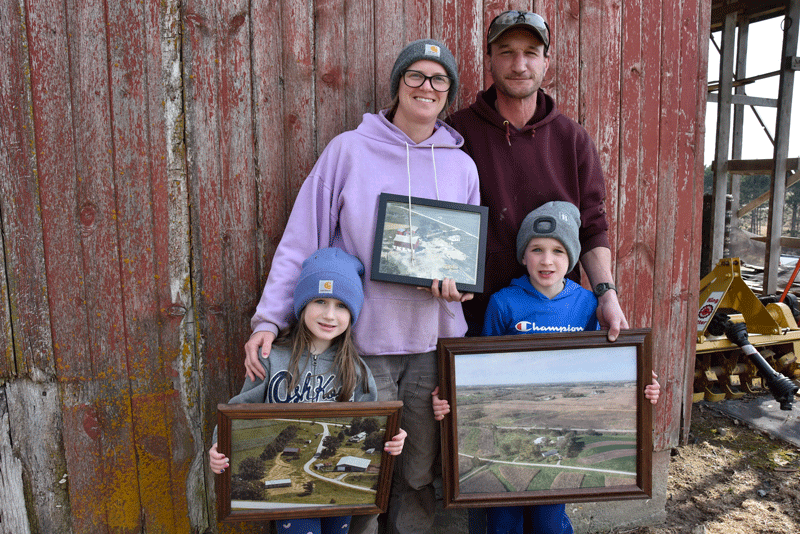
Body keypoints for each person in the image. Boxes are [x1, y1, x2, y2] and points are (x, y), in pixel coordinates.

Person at [242, 39, 480, 534]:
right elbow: (300, 240)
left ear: (449, 93)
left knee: (418, 469)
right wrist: (269, 319)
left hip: (432, 345)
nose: (426, 86)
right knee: (359, 465)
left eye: (438, 79)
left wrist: (463, 289)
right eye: (415, 75)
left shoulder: (461, 165)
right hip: (361, 345)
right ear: (397, 84)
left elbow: (468, 258)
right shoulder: (348, 151)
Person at [432, 201, 660, 534]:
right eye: (537, 249)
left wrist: (641, 385)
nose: (547, 260)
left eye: (558, 250)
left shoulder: (587, 305)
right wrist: (450, 397)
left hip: (561, 435)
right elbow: (478, 366)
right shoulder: (504, 302)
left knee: (548, 522)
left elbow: (604, 365)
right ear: (523, 256)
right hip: (509, 431)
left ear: (572, 258)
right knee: (500, 521)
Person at [446, 10, 628, 341]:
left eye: (531, 53)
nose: (519, 65)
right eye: (506, 52)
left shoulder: (572, 139)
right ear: (489, 59)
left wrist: (606, 294)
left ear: (546, 61)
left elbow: (592, 226)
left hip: (555, 321)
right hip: (472, 318)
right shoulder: (457, 133)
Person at [210, 248, 407, 534]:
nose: (329, 314)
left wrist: (391, 437)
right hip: (286, 488)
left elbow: (371, 426)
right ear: (302, 304)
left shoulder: (357, 369)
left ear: (352, 313)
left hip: (336, 489)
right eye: (320, 301)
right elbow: (239, 412)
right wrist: (220, 446)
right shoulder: (271, 358)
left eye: (341, 305)